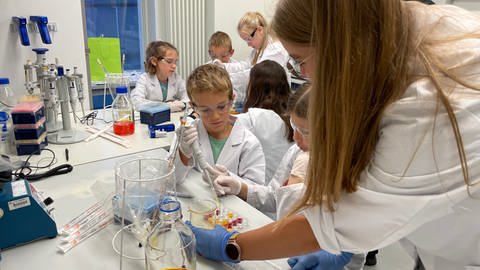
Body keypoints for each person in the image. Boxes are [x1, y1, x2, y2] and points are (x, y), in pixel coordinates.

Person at [186, 1, 480, 270]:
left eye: (300, 60)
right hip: (436, 241)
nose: (307, 75)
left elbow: (338, 222)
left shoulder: (428, 108)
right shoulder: (407, 33)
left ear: (337, 44)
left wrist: (232, 247)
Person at [175, 64, 265, 187]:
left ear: (232, 100)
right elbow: (170, 182)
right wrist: (183, 153)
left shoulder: (248, 143)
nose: (215, 116)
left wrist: (235, 184)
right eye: (205, 110)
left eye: (221, 107)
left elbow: (256, 194)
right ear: (193, 106)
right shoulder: (186, 135)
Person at [236, 60, 294, 184]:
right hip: (283, 188)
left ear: (254, 87)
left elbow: (220, 122)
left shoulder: (254, 118)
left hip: (259, 191)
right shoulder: (291, 118)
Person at [216, 11, 290, 104]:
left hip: (275, 102)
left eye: (249, 39)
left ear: (259, 30)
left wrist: (223, 79)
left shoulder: (275, 51)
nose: (248, 44)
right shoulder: (257, 50)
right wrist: (223, 67)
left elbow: (254, 75)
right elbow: (245, 65)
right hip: (263, 98)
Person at [130, 41, 188, 112]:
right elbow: (137, 102)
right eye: (169, 61)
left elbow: (189, 96)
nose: (174, 66)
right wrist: (166, 106)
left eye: (175, 62)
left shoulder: (176, 78)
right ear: (154, 61)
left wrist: (182, 104)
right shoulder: (144, 79)